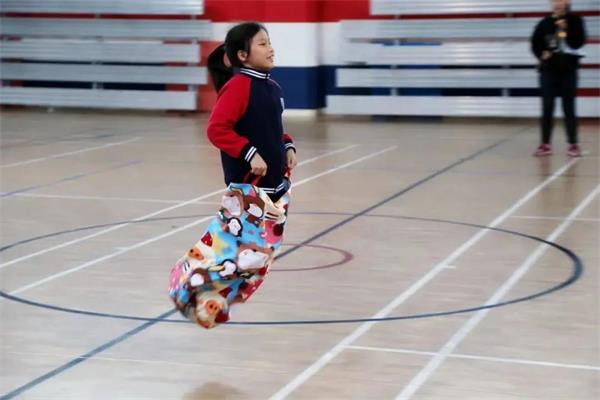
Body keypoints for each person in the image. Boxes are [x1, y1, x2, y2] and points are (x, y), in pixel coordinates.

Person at [206, 21, 297, 200]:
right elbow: (216, 130)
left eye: (269, 43)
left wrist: (287, 146)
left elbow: (270, 128)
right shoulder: (237, 88)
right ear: (242, 54)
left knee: (273, 230)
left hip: (276, 185)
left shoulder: (274, 87)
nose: (271, 49)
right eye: (263, 44)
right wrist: (251, 154)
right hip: (248, 190)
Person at [531, 0, 586, 157]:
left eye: (561, 1)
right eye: (555, 1)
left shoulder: (576, 21)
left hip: (568, 71)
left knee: (569, 107)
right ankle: (545, 144)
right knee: (547, 106)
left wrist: (566, 30)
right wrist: (541, 53)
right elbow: (535, 44)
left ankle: (573, 144)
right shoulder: (544, 23)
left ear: (567, 3)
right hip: (548, 71)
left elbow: (579, 43)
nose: (558, 4)